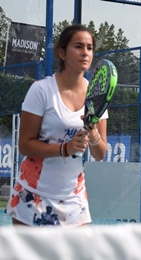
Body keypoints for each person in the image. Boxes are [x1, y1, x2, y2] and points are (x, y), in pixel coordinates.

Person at [5, 24, 108, 227]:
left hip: (74, 197)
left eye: (89, 48)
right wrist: (65, 148)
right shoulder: (41, 90)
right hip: (33, 194)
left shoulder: (98, 94)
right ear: (62, 52)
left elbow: (100, 154)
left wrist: (93, 133)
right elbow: (25, 145)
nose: (85, 53)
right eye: (78, 46)